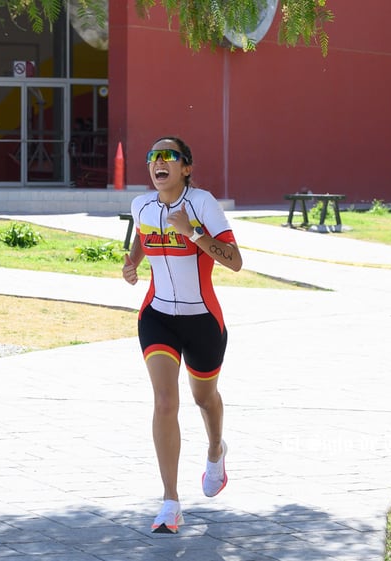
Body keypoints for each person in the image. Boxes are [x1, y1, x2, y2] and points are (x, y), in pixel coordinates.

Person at [121, 136, 243, 534]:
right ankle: (170, 503)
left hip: (203, 320)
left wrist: (193, 233)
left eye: (167, 156)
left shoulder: (203, 204)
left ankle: (215, 450)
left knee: (204, 399)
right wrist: (133, 263)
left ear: (186, 167)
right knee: (164, 403)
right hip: (157, 315)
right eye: (152, 157)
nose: (158, 162)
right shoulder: (141, 205)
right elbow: (143, 235)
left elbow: (235, 262)